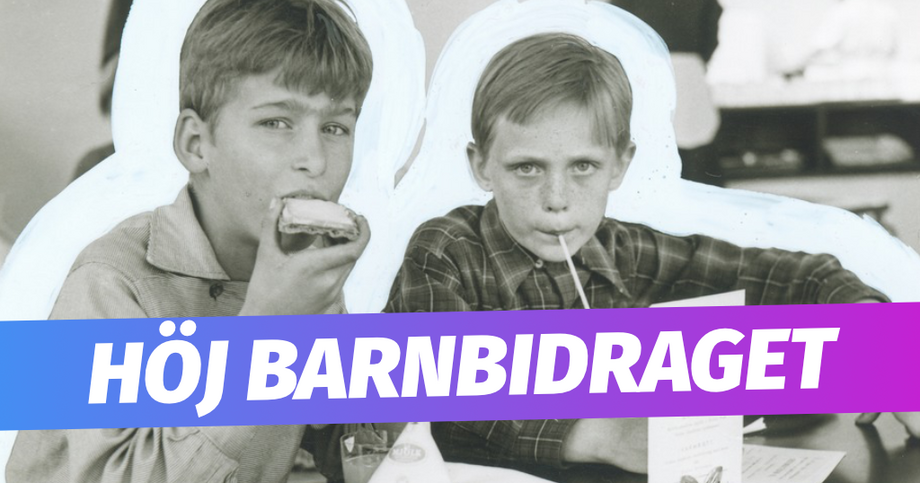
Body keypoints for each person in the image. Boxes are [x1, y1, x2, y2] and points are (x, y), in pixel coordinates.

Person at [384, 32, 890, 477]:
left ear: (620, 164)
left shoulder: (619, 251)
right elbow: (447, 391)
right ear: (481, 166)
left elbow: (798, 276)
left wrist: (883, 350)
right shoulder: (447, 251)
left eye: (583, 166)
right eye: (527, 168)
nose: (556, 198)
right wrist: (608, 436)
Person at [5, 0, 373, 482]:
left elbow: (338, 448)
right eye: (276, 122)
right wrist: (265, 329)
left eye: (335, 128)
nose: (315, 160)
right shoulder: (111, 284)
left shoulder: (300, 273)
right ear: (196, 145)